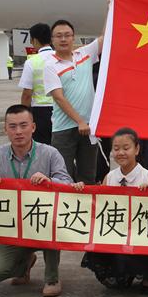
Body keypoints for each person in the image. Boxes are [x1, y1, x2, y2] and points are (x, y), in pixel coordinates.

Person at [0, 104, 73, 297]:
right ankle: (24, 264)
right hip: (11, 227)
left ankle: (52, 278)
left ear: (33, 127)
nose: (18, 131)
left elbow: (67, 183)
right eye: (12, 126)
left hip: (44, 222)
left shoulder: (50, 153)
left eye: (23, 125)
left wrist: (51, 182)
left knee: (53, 225)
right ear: (5, 129)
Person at [79, 127, 148, 293]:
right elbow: (100, 208)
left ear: (137, 149)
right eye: (116, 149)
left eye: (126, 148)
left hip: (143, 232)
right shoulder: (110, 177)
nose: (121, 153)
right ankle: (121, 274)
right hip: (119, 229)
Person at [44, 19, 103, 184]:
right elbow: (59, 98)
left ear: (73, 37)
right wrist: (80, 121)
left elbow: (105, 37)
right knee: (63, 177)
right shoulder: (50, 65)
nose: (63, 39)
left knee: (88, 176)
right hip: (63, 130)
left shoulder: (84, 54)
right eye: (59, 36)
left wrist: (110, 6)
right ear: (52, 40)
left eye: (67, 35)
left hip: (88, 128)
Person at [19, 22, 55, 144]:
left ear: (34, 40)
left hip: (40, 112)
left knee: (42, 149)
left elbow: (27, 94)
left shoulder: (32, 62)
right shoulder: (60, 57)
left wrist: (24, 114)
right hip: (62, 109)